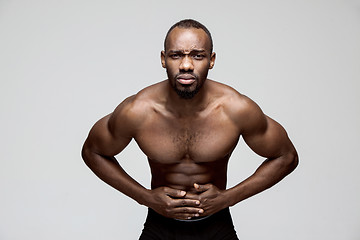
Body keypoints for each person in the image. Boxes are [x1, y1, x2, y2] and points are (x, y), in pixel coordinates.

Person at [82, 19, 298, 240]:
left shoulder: (236, 108)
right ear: (163, 59)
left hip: (216, 225)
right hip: (160, 226)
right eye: (176, 55)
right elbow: (92, 151)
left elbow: (286, 156)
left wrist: (228, 198)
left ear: (211, 60)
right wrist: (146, 198)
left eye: (197, 55)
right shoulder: (137, 110)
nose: (186, 65)